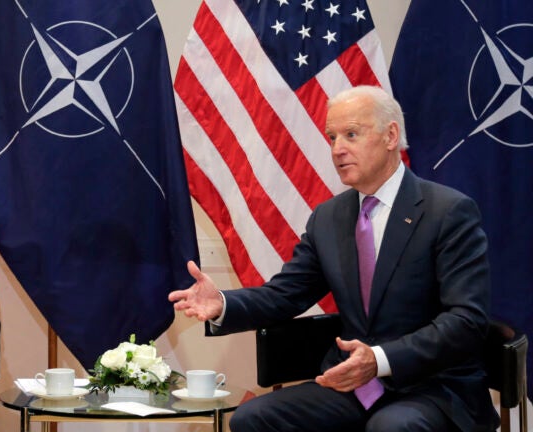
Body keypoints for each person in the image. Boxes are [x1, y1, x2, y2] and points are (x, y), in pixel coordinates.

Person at [169, 85, 499, 432]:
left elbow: (466, 320)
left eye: (351, 135)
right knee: (254, 419)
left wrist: (380, 359)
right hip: (353, 386)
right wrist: (222, 303)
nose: (337, 149)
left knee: (391, 428)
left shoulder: (447, 211)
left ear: (390, 136)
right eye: (331, 137)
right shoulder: (329, 218)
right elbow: (286, 293)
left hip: (432, 386)